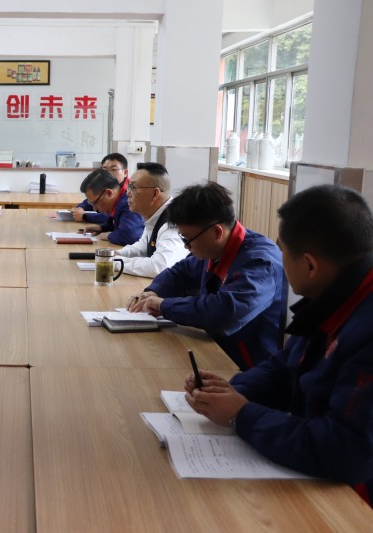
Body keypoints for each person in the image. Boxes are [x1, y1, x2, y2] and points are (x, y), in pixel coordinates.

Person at [183, 185, 373, 505]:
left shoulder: (365, 328)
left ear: (310, 265)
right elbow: (287, 366)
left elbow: (346, 451)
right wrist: (234, 392)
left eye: (283, 251)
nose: (280, 260)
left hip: (352, 503)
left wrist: (242, 415)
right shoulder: (333, 294)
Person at [129, 182, 286, 370]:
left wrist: (164, 306)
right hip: (216, 349)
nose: (186, 246)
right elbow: (182, 271)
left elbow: (225, 312)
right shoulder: (216, 247)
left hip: (248, 368)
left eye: (188, 239)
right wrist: (154, 292)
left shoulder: (260, 263)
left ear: (216, 232)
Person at [115, 162, 188, 277]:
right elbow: (143, 247)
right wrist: (115, 254)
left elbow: (159, 267)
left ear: (155, 193)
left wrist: (115, 263)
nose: (127, 193)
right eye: (128, 186)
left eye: (133, 187)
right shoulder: (155, 215)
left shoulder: (173, 221)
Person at [77, 167, 144, 246]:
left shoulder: (128, 203)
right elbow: (117, 224)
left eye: (95, 202)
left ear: (109, 193)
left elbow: (130, 236)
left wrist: (109, 236)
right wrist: (101, 228)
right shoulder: (119, 200)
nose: (94, 208)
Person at [70, 153, 129, 225]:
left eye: (114, 169)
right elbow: (93, 200)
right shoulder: (106, 186)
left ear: (125, 173)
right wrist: (80, 208)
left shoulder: (129, 194)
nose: (108, 173)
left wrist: (85, 216)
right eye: (104, 170)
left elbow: (112, 217)